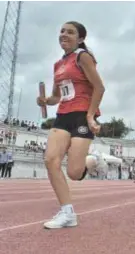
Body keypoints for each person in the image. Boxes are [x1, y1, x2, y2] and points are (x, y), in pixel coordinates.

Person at [36, 21, 105, 229]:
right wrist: (45, 101)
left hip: (82, 115)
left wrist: (91, 116)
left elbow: (99, 88)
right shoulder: (57, 65)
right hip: (63, 116)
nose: (64, 34)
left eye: (71, 32)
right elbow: (57, 97)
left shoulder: (82, 57)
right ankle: (67, 213)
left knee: (75, 173)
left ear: (81, 39)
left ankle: (93, 160)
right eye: (62, 31)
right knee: (50, 160)